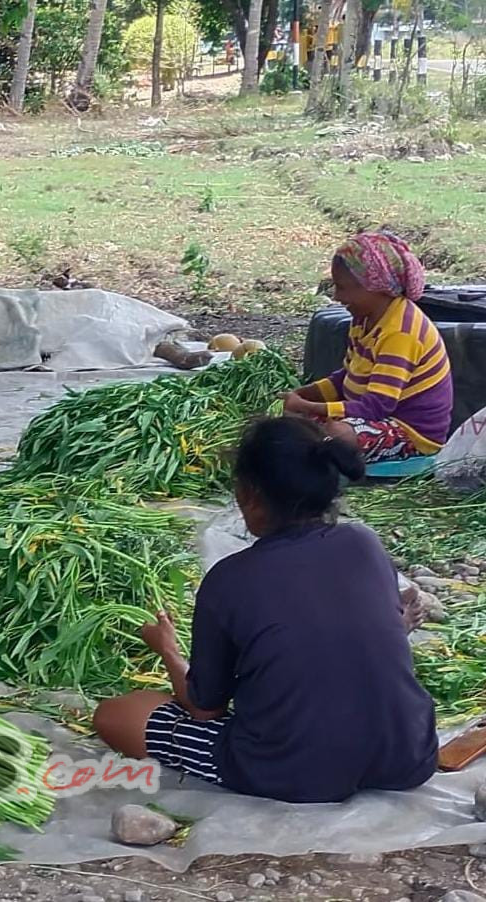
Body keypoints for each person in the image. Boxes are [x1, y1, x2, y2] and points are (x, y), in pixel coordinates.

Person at [92, 416, 438, 804]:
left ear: (251, 496)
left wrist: (167, 650)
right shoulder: (365, 543)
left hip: (291, 772)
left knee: (118, 714)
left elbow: (205, 708)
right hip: (408, 756)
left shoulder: (230, 579)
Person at [281, 231, 453, 464]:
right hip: (371, 416)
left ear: (375, 286)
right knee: (297, 420)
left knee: (338, 434)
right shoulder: (364, 319)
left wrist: (309, 406)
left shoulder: (399, 333)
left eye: (342, 288)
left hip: (409, 432)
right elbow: (347, 377)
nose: (336, 296)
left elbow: (377, 406)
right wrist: (303, 394)